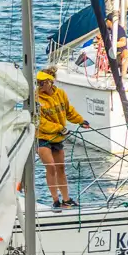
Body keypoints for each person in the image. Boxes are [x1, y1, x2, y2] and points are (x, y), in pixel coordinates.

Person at [34, 71, 91, 209]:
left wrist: (80, 121)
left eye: (43, 82)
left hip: (57, 138)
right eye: (38, 82)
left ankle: (66, 199)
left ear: (50, 82)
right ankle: (55, 200)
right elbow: (39, 121)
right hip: (42, 138)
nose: (40, 85)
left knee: (61, 168)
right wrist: (60, 128)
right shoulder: (35, 98)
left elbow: (69, 111)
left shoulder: (61, 94)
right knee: (51, 167)